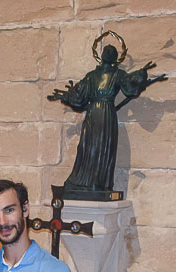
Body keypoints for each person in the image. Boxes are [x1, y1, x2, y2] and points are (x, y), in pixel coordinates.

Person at [47, 38, 166, 193]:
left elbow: (129, 87)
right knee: (88, 147)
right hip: (101, 114)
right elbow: (80, 95)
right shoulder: (97, 75)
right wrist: (67, 96)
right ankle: (84, 183)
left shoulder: (113, 74)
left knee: (101, 147)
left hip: (100, 114)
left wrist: (141, 73)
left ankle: (98, 184)